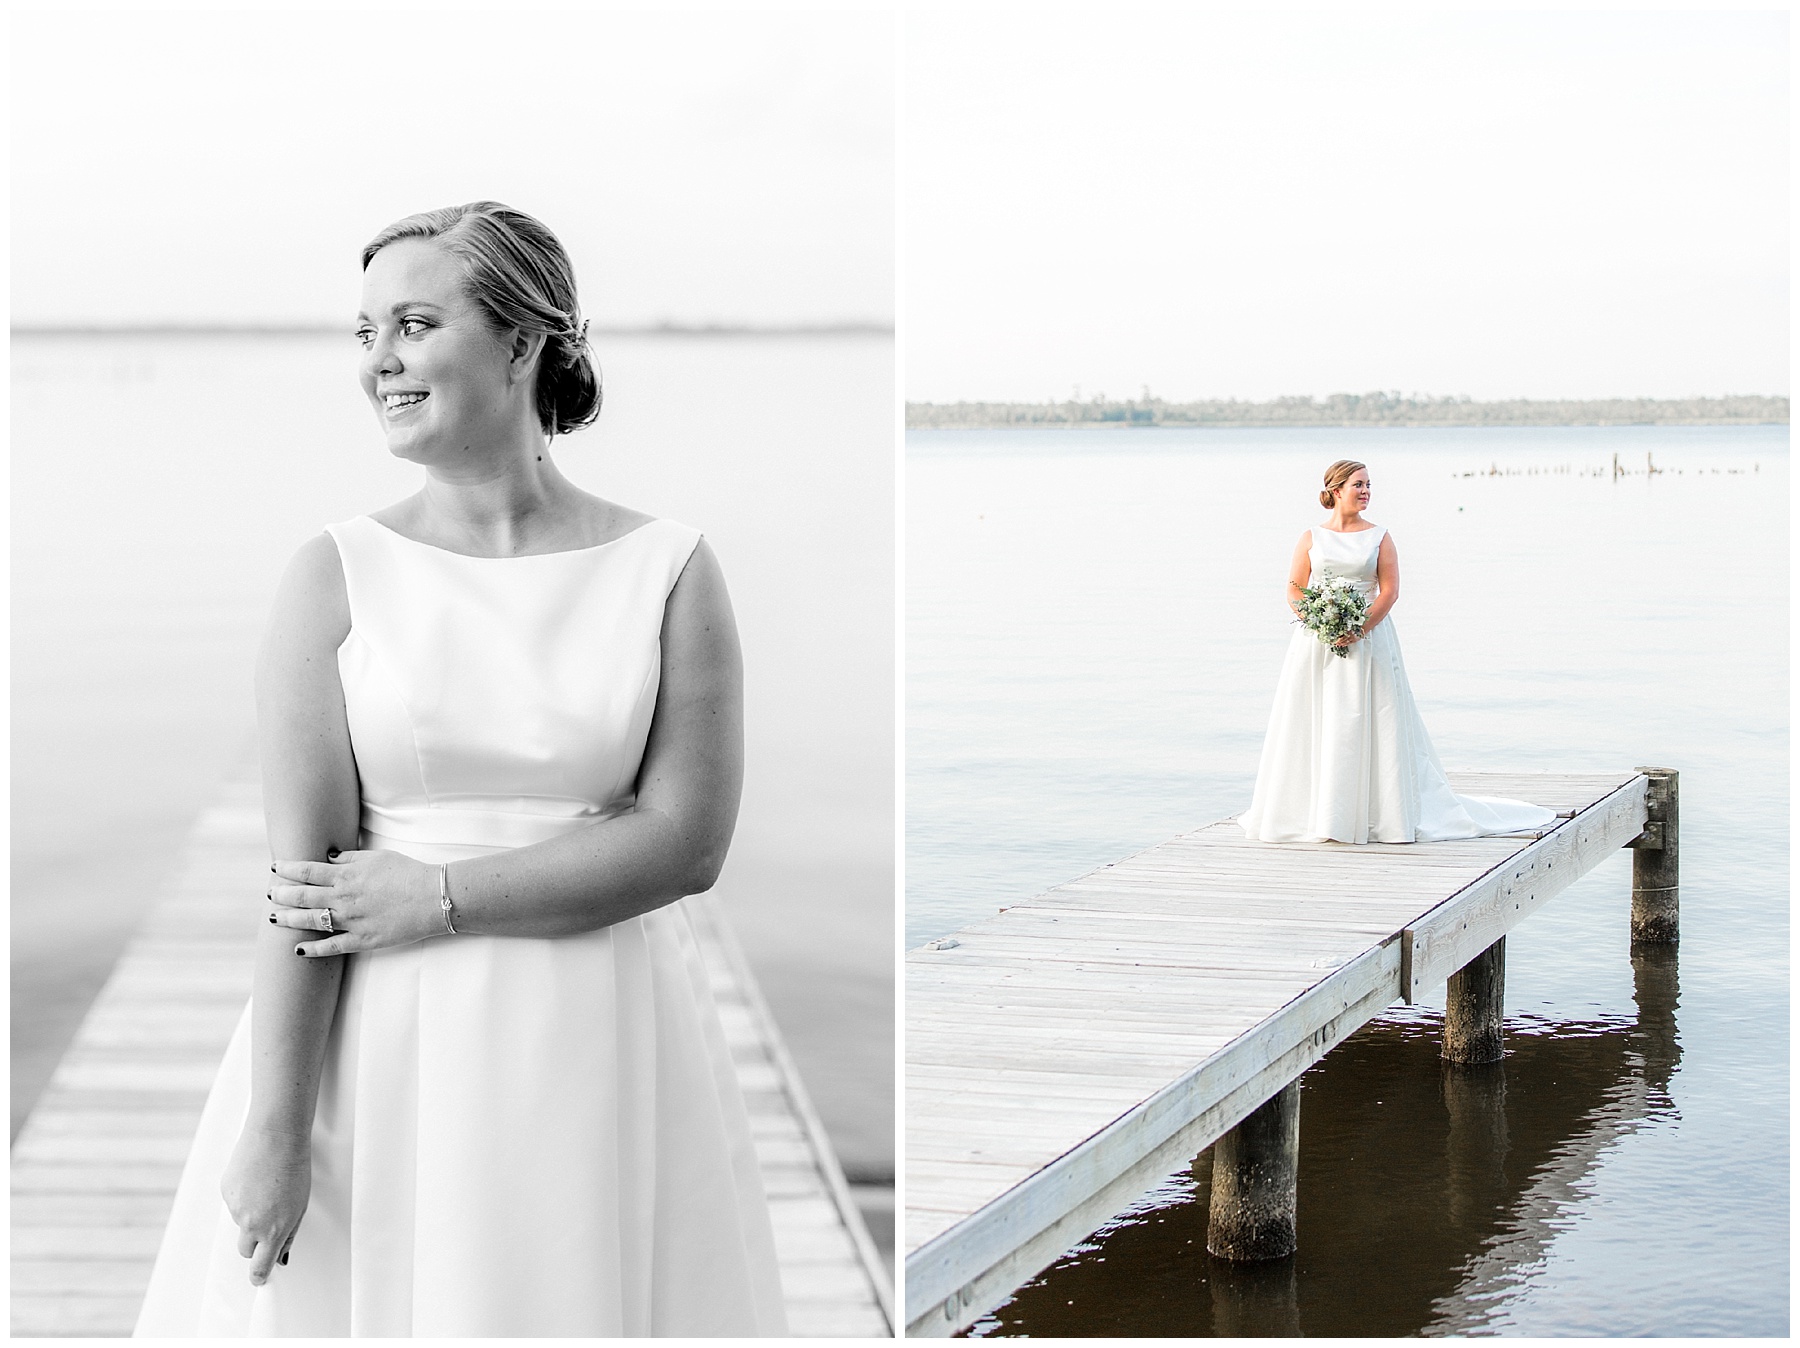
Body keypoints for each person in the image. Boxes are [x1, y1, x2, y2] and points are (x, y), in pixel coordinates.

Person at [134, 202, 787, 1337]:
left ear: (522, 342)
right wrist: (276, 1122)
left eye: (415, 322)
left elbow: (688, 843)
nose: (379, 360)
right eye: (365, 330)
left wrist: (437, 897)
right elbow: (303, 879)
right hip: (381, 1038)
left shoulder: (669, 567)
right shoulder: (332, 573)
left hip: (595, 1028)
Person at [1238, 459, 1554, 844]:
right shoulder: (1310, 538)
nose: (1366, 491)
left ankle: (1378, 813)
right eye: (1358, 484)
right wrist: (1319, 621)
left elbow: (1389, 592)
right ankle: (1317, 813)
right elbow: (1294, 589)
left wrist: (1357, 628)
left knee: (1371, 719)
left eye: (1369, 484)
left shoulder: (1380, 537)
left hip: (1369, 640)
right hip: (1315, 644)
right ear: (1336, 490)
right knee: (1315, 719)